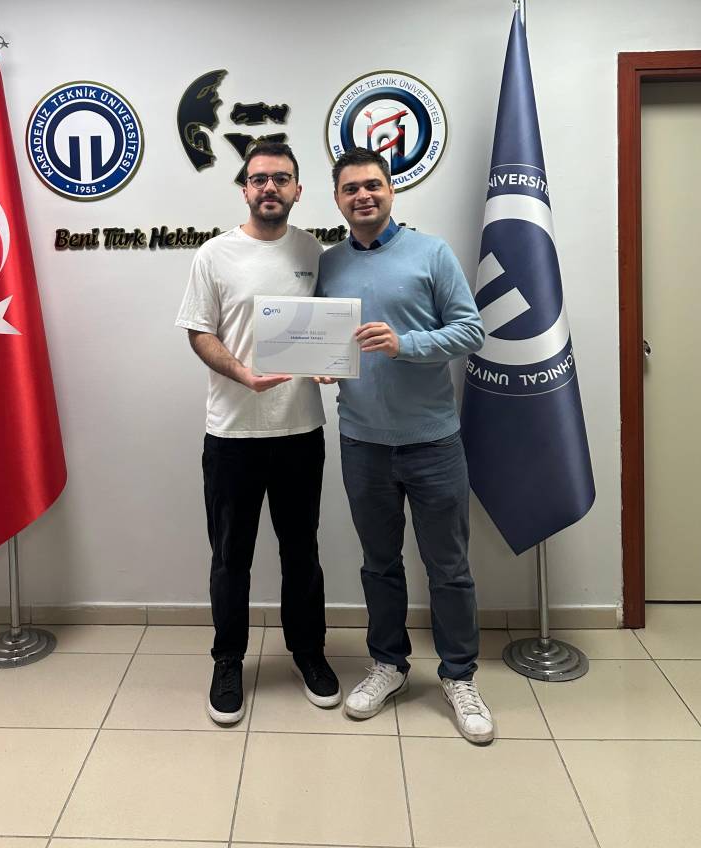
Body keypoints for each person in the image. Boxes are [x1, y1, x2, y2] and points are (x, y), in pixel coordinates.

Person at [316, 146, 494, 744]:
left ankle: (459, 676)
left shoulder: (432, 252)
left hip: (433, 442)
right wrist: (320, 365)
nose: (362, 196)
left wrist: (406, 344)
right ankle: (388, 665)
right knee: (379, 564)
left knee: (449, 568)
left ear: (390, 190)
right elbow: (321, 337)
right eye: (350, 189)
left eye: (372, 185)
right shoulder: (328, 263)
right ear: (337, 199)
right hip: (362, 443)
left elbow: (472, 330)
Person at [176, 139, 341, 724]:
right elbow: (199, 332)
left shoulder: (314, 252)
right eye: (259, 178)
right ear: (244, 188)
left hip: (300, 431)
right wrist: (243, 374)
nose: (270, 187)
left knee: (302, 552)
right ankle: (228, 660)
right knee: (231, 557)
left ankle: (309, 652)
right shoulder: (214, 255)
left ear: (298, 189)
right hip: (232, 435)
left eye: (281, 178)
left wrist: (329, 360)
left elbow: (325, 330)